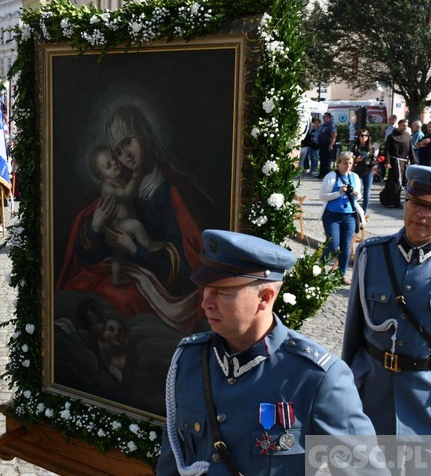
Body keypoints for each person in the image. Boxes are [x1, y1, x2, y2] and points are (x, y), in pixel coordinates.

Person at [157, 229, 376, 475]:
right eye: (206, 290)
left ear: (265, 297)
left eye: (222, 292)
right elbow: (173, 459)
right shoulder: (189, 360)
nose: (206, 302)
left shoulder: (317, 376)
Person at [58, 104, 207, 333]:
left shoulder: (171, 189)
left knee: (119, 302)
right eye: (117, 151)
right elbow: (88, 252)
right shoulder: (120, 182)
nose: (125, 155)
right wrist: (95, 229)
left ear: (143, 134)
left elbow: (185, 262)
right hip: (130, 273)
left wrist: (136, 251)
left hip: (161, 283)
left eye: (128, 142)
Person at [343, 165, 431, 435]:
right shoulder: (371, 255)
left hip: (425, 398)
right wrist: (345, 386)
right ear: (405, 202)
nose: (422, 214)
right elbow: (353, 331)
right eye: (416, 203)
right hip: (371, 392)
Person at [89, 145, 163, 284]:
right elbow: (126, 194)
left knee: (118, 255)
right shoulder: (107, 187)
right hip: (117, 225)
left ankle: (116, 278)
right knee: (136, 225)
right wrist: (135, 178)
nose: (114, 163)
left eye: (113, 158)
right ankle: (149, 245)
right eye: (108, 165)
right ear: (102, 176)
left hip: (123, 223)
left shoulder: (119, 178)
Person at [319, 151, 362, 284]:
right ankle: (318, 268)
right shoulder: (331, 176)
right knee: (332, 244)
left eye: (350, 163)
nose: (348, 166)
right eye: (345, 163)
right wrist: (338, 193)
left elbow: (359, 196)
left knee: (346, 246)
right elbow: (322, 196)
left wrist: (355, 194)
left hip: (348, 216)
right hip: (331, 216)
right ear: (338, 164)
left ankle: (341, 274)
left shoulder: (355, 177)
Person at [380, 118, 415, 208]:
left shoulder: (407, 136)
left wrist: (414, 161)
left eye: (406, 126)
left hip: (404, 163)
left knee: (399, 182)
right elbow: (387, 150)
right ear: (399, 125)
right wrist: (387, 162)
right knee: (397, 183)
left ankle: (385, 198)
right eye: (404, 125)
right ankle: (396, 202)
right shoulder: (391, 137)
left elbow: (410, 149)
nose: (405, 127)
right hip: (394, 162)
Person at [350, 129, 377, 214]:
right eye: (362, 135)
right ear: (358, 137)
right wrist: (356, 160)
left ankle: (364, 212)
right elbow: (349, 159)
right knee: (358, 192)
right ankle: (356, 211)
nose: (364, 137)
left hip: (368, 170)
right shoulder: (355, 146)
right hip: (357, 171)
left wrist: (374, 162)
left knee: (367, 193)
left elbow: (373, 158)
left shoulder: (371, 147)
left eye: (366, 135)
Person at [317, 112, 337, 178]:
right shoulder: (323, 125)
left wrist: (331, 145)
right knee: (322, 160)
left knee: (327, 161)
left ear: (328, 118)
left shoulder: (331, 125)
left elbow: (334, 135)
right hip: (322, 145)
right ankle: (321, 174)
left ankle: (327, 175)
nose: (323, 118)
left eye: (324, 117)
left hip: (328, 145)